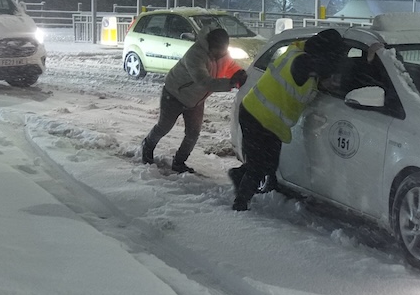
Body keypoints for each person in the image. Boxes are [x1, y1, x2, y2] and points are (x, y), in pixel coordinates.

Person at [228, 27, 345, 211]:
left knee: (269, 163)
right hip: (257, 116)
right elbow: (329, 68)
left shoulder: (298, 52)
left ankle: (238, 175)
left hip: (264, 117)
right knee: (259, 166)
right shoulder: (303, 62)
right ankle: (240, 204)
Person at [141, 27, 247, 173]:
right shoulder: (195, 55)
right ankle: (147, 146)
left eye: (223, 50)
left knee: (193, 133)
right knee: (164, 126)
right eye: (218, 50)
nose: (221, 54)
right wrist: (230, 83)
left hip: (195, 100)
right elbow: (204, 81)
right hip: (174, 95)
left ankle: (179, 162)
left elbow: (230, 66)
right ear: (210, 45)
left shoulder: (222, 54)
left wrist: (240, 73)